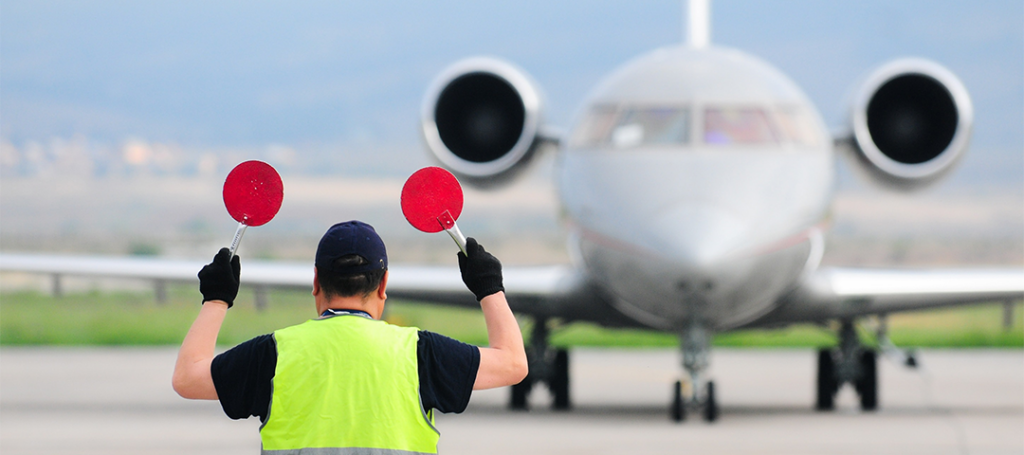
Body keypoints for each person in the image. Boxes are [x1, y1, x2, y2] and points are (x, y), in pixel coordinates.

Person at [172, 220, 527, 454]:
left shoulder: (275, 353)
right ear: (383, 284)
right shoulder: (420, 353)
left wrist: (217, 298)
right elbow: (512, 363)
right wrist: (489, 288)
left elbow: (188, 378)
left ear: (316, 282)